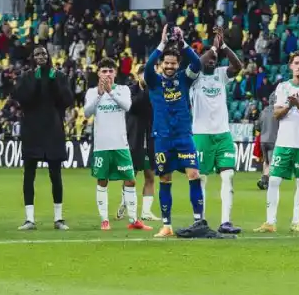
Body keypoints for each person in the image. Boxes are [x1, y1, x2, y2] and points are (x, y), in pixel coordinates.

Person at [144, 24, 215, 238]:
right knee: (165, 179)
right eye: (166, 63)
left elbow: (196, 63)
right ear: (161, 64)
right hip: (163, 138)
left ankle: (198, 222)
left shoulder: (184, 78)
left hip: (184, 136)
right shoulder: (154, 81)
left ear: (177, 65)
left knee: (193, 173)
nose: (169, 66)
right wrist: (162, 44)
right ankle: (166, 225)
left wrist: (183, 44)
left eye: (173, 63)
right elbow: (147, 67)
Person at [256, 50, 299, 233]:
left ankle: (295, 222)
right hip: (283, 142)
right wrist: (289, 105)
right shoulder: (282, 87)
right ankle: (270, 222)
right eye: (297, 63)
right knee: (274, 180)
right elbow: (276, 114)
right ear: (291, 66)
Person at [84, 57, 150, 231]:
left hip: (121, 144)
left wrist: (110, 92)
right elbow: (86, 113)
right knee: (102, 181)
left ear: (115, 73)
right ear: (98, 73)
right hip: (102, 146)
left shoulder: (122, 90)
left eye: (110, 71)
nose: (107, 74)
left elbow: (128, 107)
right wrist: (100, 94)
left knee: (130, 180)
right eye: (104, 71)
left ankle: (134, 219)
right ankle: (104, 220)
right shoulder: (92, 92)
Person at [14, 44, 74, 231]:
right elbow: (22, 99)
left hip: (53, 131)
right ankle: (29, 219)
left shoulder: (59, 76)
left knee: (55, 175)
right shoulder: (26, 77)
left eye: (44, 54)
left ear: (49, 57)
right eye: (37, 54)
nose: (41, 56)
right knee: (29, 175)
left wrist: (53, 80)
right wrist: (37, 80)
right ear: (32, 58)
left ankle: (58, 218)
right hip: (32, 131)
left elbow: (67, 100)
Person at [191, 27, 244, 234]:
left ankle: (225, 222)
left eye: (215, 58)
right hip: (201, 134)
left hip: (223, 134)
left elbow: (238, 66)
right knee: (201, 178)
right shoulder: (193, 76)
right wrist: (213, 48)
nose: (212, 60)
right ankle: (200, 220)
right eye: (209, 57)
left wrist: (223, 47)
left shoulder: (222, 75)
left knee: (228, 176)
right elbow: (199, 62)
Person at [120, 68, 160, 221]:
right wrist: (145, 89)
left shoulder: (156, 90)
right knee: (131, 175)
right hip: (134, 137)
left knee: (150, 176)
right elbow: (134, 106)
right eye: (144, 74)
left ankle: (146, 212)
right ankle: (124, 202)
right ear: (138, 76)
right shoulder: (130, 90)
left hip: (150, 137)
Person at [256, 92, 279, 190]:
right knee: (272, 162)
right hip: (273, 139)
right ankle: (264, 179)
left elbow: (257, 126)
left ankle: (265, 180)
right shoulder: (278, 112)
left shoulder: (263, 111)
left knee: (266, 161)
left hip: (263, 140)